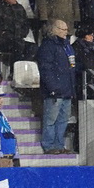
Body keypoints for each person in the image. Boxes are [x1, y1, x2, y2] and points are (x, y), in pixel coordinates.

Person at [37, 19, 76, 154]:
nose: (66, 32)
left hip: (67, 90)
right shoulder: (48, 46)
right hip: (54, 91)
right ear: (55, 30)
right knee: (51, 119)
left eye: (66, 29)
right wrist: (52, 87)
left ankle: (59, 145)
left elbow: (72, 67)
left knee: (63, 120)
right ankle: (48, 145)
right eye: (63, 29)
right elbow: (45, 69)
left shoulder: (67, 46)